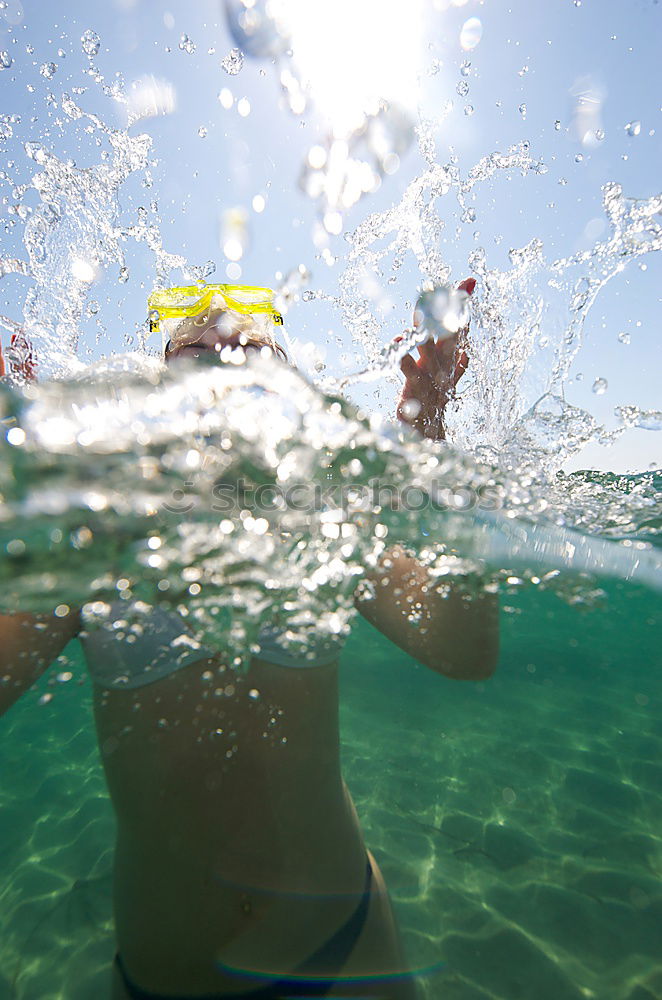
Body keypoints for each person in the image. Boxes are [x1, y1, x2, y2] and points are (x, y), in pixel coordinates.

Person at [0, 278, 498, 1000]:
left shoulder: (323, 518)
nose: (219, 345)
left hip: (346, 945)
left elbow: (463, 649)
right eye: (195, 344)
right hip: (166, 976)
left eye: (246, 346)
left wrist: (432, 458)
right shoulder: (97, 532)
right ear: (157, 385)